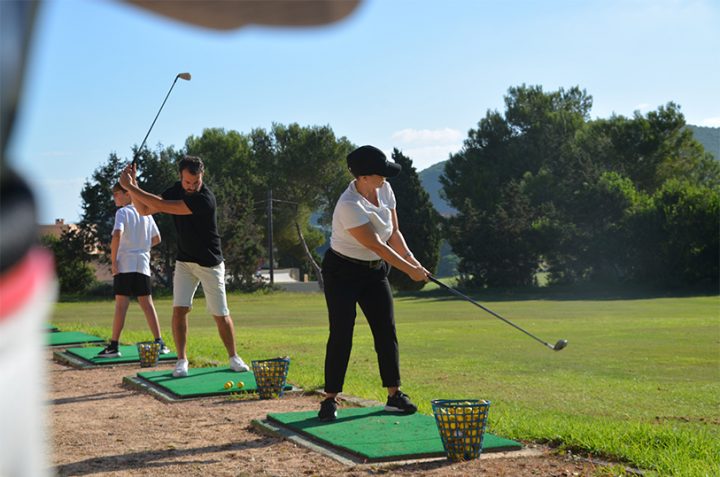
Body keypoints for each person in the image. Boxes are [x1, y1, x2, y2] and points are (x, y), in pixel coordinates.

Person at [318, 145, 430, 421]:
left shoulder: (385, 189)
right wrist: (408, 271)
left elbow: (394, 234)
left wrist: (413, 262)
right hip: (341, 271)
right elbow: (377, 244)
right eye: (380, 174)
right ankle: (330, 398)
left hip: (373, 272)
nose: (385, 178)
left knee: (385, 329)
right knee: (342, 332)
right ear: (364, 177)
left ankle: (394, 395)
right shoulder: (348, 205)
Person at [119, 156, 250, 377]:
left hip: (210, 263)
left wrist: (130, 186)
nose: (191, 186)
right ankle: (181, 360)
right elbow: (145, 210)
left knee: (220, 313)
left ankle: (234, 357)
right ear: (181, 177)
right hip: (185, 262)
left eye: (195, 182)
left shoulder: (205, 199)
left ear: (202, 177)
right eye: (187, 182)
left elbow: (160, 205)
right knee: (180, 309)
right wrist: (134, 185)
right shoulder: (176, 189)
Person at [97, 183, 168, 357]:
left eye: (117, 193)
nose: (114, 197)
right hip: (142, 264)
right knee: (147, 305)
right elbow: (157, 238)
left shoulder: (122, 212)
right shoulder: (146, 214)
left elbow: (116, 235)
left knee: (121, 306)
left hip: (125, 265)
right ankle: (160, 343)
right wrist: (141, 247)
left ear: (128, 194)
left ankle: (113, 346)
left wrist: (114, 261)